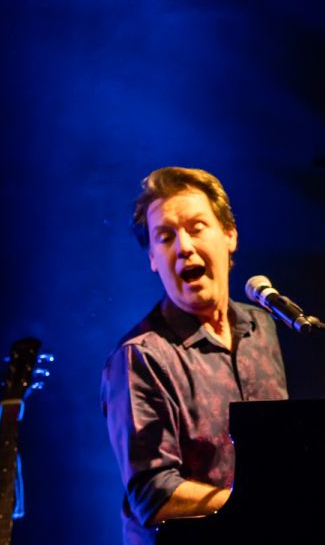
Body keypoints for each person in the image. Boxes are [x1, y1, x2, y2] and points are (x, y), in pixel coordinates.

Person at [100, 167, 288, 545]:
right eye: (165, 237)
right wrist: (260, 507)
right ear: (153, 258)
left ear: (230, 235)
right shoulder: (140, 357)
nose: (183, 246)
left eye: (196, 227)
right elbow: (153, 494)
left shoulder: (260, 327)